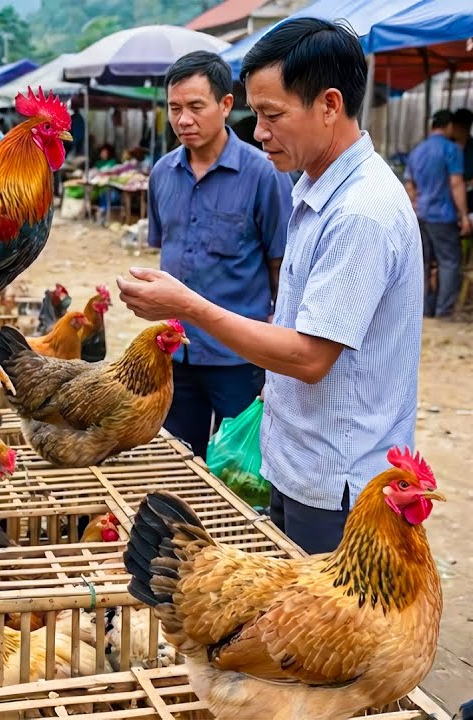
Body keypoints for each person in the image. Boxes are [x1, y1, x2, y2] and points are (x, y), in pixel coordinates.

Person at [117, 18, 422, 555]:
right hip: (300, 457)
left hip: (337, 477)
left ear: (329, 105)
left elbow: (309, 357)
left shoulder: (360, 212)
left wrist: (189, 306)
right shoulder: (314, 187)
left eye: (271, 115)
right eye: (256, 114)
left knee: (326, 633)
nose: (258, 132)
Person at [144, 51, 292, 460]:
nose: (183, 120)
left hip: (238, 359)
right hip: (174, 352)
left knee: (241, 471)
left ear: (226, 105)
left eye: (195, 107)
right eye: (175, 108)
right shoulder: (162, 174)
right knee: (177, 462)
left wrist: (276, 356)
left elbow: (281, 266)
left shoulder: (264, 174)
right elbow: (167, 249)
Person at [405, 110, 470, 320]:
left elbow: (409, 186)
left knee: (423, 264)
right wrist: (465, 215)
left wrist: (415, 207)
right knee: (449, 262)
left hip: (421, 215)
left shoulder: (417, 151)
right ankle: (444, 312)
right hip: (443, 216)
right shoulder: (452, 149)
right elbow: (456, 183)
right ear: (449, 126)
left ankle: (424, 310)